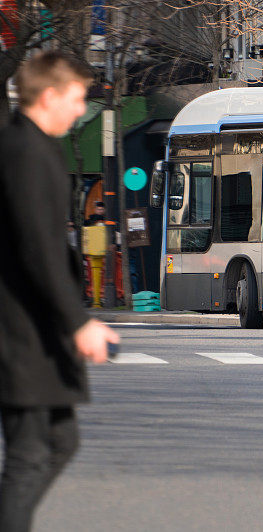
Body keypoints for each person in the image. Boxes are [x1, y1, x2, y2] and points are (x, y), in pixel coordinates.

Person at [0, 51, 120, 532]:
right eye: (75, 98)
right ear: (48, 96)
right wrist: (78, 322)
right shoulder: (24, 153)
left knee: (58, 441)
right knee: (30, 455)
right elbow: (39, 248)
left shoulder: (33, 147)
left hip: (33, 331)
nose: (80, 110)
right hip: (20, 330)